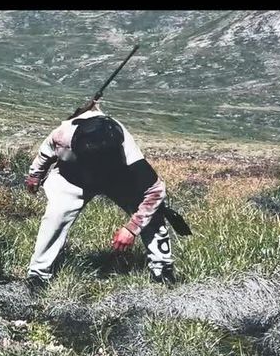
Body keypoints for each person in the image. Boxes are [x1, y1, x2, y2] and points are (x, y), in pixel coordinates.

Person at [24, 103, 176, 286]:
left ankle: (162, 269)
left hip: (118, 177)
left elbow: (156, 191)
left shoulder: (130, 155)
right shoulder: (63, 135)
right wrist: (35, 175)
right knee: (55, 216)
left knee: (152, 212)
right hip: (74, 176)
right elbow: (46, 151)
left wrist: (131, 228)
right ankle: (38, 274)